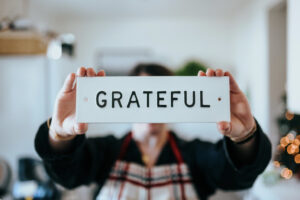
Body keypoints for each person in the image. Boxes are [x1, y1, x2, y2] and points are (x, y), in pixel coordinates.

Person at [35, 64, 271, 200]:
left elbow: (238, 176)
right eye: (144, 94)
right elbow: (66, 173)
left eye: (161, 96)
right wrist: (61, 135)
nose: (152, 105)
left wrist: (245, 136)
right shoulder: (106, 151)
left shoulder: (195, 154)